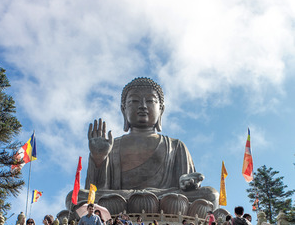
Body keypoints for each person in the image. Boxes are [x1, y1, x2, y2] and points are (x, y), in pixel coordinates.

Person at [80, 77, 218, 210]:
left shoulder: (175, 146)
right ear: (124, 110)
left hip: (165, 199)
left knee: (210, 195)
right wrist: (99, 159)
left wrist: (188, 183)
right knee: (78, 197)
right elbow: (94, 192)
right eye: (134, 101)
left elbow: (189, 187)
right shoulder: (112, 146)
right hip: (121, 199)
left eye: (150, 101)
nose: (142, 106)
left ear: (161, 110)